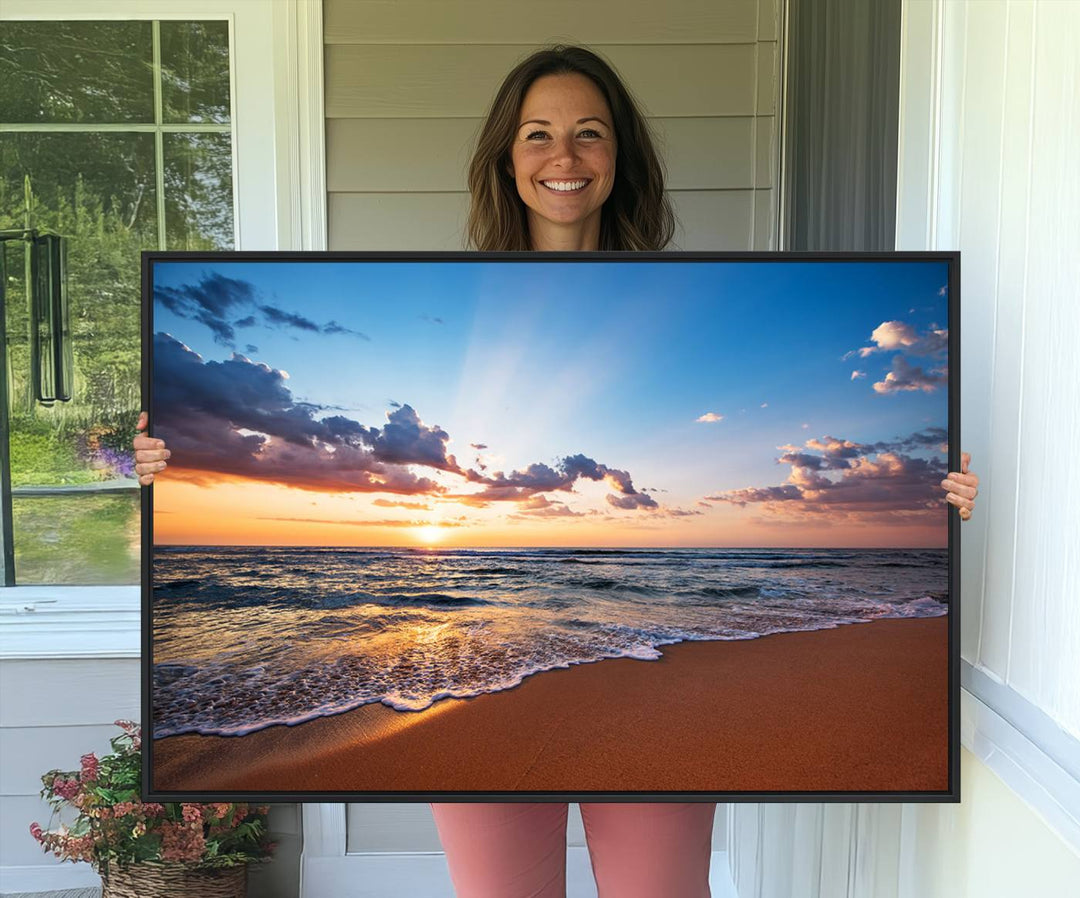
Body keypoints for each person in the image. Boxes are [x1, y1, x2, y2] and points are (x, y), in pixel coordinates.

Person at [134, 45, 979, 898]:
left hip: (648, 683)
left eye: (589, 134)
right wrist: (162, 460)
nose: (564, 158)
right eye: (538, 134)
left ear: (620, 158)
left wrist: (941, 496)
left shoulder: (685, 293)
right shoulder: (451, 302)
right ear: (507, 156)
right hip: (484, 659)